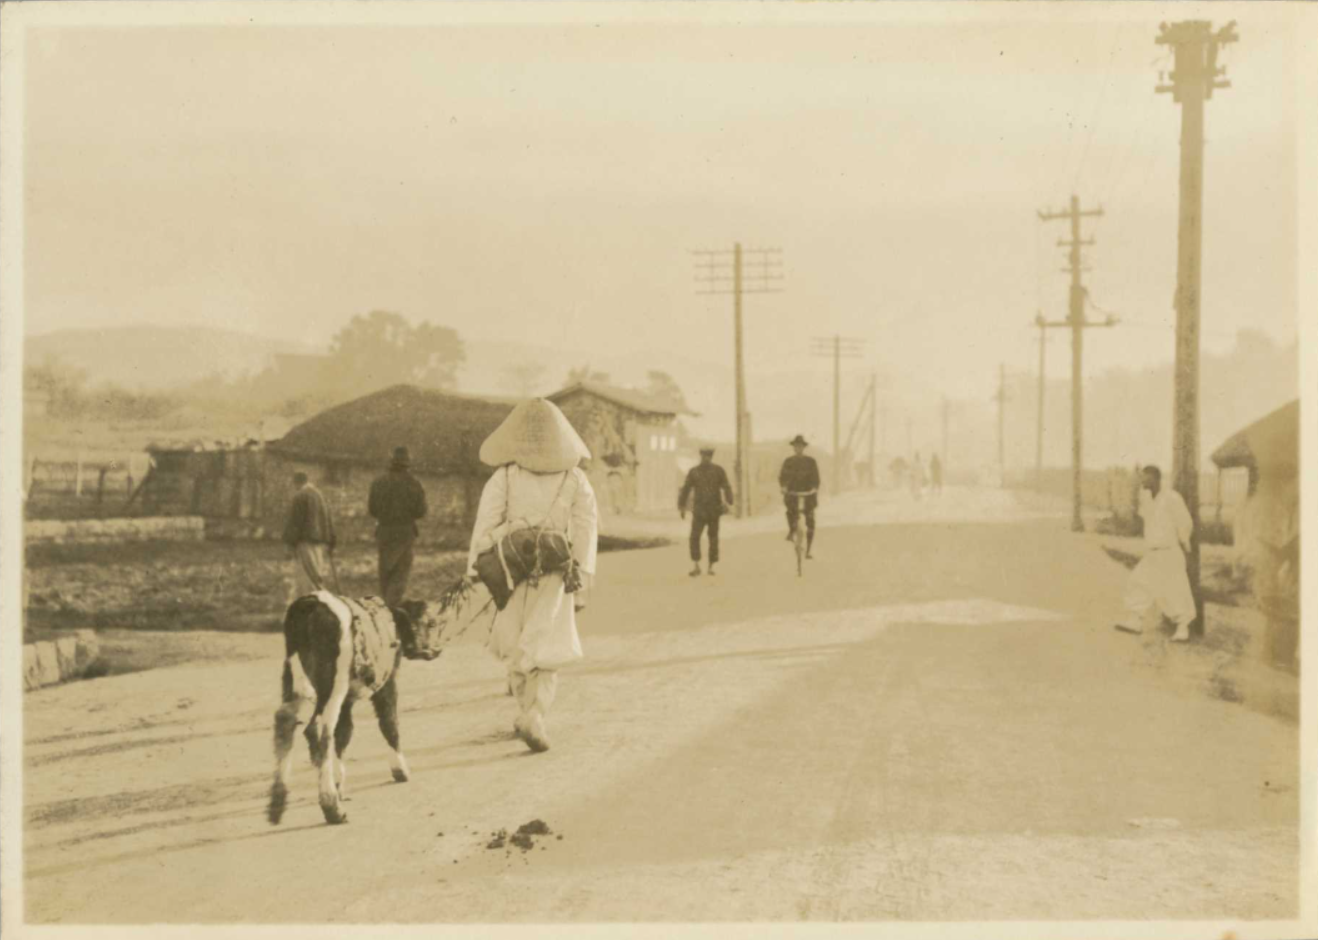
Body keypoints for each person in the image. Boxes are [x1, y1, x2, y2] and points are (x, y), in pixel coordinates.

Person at [467, 398, 598, 753]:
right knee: (546, 644)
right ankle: (536, 714)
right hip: (553, 575)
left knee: (515, 642)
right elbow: (586, 529)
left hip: (511, 572)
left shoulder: (505, 476)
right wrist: (583, 577)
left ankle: (527, 711)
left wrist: (475, 568)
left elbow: (485, 526)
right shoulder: (576, 479)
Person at [1115, 465, 1196, 643]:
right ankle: (1135, 621)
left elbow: (1184, 522)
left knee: (1175, 590)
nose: (1142, 481)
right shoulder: (1147, 500)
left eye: (1145, 477)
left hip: (1169, 552)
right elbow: (1146, 522)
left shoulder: (1172, 498)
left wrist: (1185, 544)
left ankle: (1183, 628)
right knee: (1138, 582)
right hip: (1153, 553)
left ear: (1155, 478)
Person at [368, 446, 428, 607]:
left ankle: (386, 605)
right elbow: (421, 511)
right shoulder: (414, 483)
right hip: (405, 532)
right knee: (400, 572)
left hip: (384, 531)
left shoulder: (378, 482)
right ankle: (391, 607)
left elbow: (372, 509)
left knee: (385, 570)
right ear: (407, 464)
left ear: (391, 462)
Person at [678, 447, 733, 577]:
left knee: (713, 538)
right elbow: (685, 489)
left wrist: (730, 500)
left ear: (711, 457)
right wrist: (681, 506)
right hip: (699, 511)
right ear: (700, 456)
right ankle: (696, 565)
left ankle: (711, 566)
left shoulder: (718, 471)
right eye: (704, 456)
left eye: (708, 456)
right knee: (694, 537)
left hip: (714, 510)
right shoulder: (694, 472)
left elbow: (726, 485)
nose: (706, 458)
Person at [282, 471, 337, 600]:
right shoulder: (319, 496)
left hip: (305, 543)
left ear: (297, 483)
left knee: (305, 579)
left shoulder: (300, 496)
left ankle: (309, 608)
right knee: (316, 575)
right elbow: (328, 520)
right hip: (320, 544)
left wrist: (289, 543)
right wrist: (331, 541)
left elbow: (295, 522)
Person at [779, 434, 821, 559]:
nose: (798, 448)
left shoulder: (811, 461)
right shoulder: (788, 461)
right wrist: (784, 487)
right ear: (793, 448)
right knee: (790, 512)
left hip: (808, 494)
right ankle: (792, 531)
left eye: (800, 446)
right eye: (796, 446)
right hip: (792, 493)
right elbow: (783, 477)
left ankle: (808, 550)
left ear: (804, 447)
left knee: (810, 522)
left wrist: (814, 488)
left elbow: (816, 478)